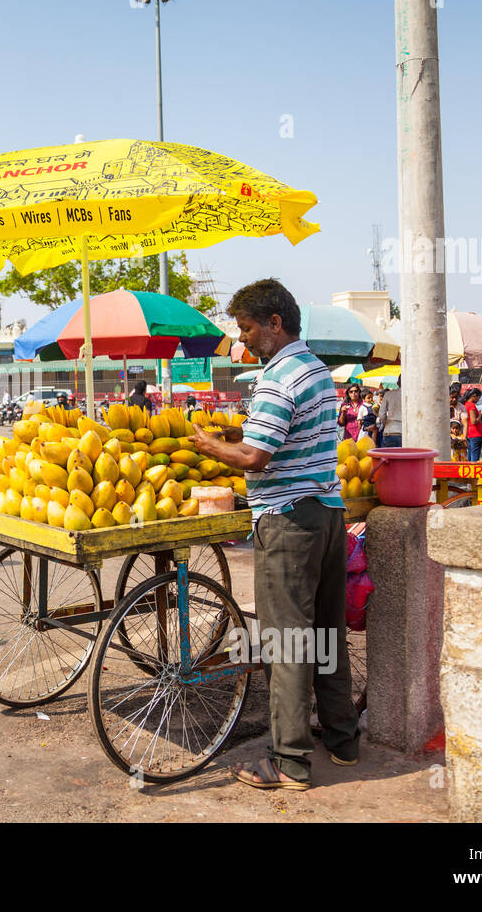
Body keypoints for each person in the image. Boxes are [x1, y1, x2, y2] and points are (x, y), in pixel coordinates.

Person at [188, 278, 357, 792]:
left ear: (275, 323)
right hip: (327, 514)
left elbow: (257, 458)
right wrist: (240, 434)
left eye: (246, 328)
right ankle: (344, 740)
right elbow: (285, 436)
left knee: (286, 641)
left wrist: (209, 446)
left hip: (288, 522)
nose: (242, 340)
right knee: (327, 633)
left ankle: (289, 763)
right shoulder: (317, 370)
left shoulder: (279, 376)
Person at [378, 380, 403, 448]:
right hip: (405, 433)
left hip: (390, 431)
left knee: (387, 457)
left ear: (397, 382)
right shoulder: (412, 395)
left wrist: (386, 423)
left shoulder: (388, 394)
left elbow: (381, 415)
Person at [463, 389, 482, 461]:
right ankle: (473, 470)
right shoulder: (471, 405)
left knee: (470, 454)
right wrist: (481, 415)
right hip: (475, 434)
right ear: (474, 396)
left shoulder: (465, 404)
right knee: (474, 457)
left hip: (469, 433)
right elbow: (474, 421)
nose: (478, 400)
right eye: (478, 398)